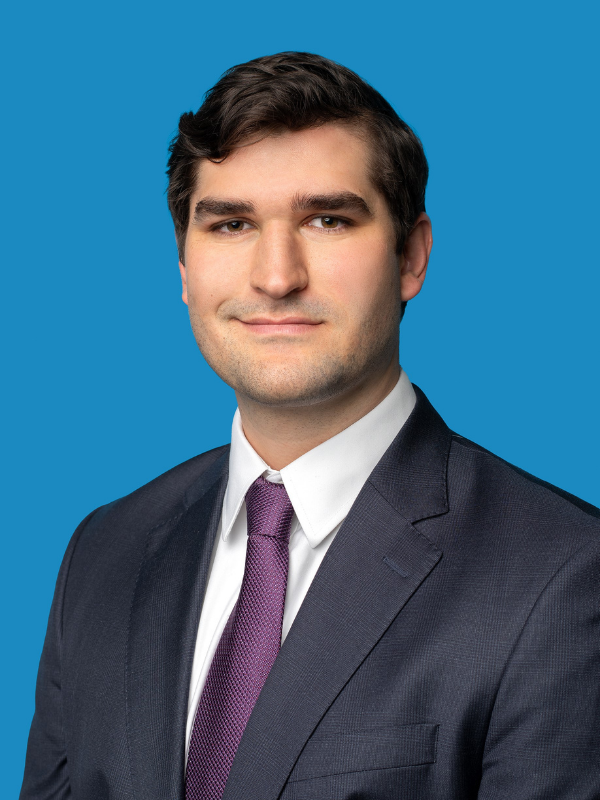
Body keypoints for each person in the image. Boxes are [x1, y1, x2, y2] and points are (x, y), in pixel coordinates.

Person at [20, 52, 600, 800]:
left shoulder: (563, 575)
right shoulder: (104, 552)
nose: (277, 276)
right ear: (185, 267)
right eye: (231, 224)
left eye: (328, 220)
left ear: (411, 256)